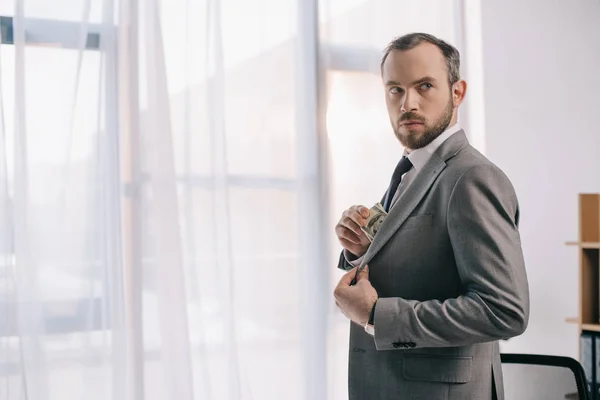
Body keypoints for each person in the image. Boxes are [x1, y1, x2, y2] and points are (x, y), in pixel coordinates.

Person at [333, 32, 529, 400]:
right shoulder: (412, 170)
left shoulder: (471, 178)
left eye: (425, 86)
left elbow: (504, 311)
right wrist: (363, 250)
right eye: (395, 89)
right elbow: (422, 268)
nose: (408, 103)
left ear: (457, 93)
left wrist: (377, 315)